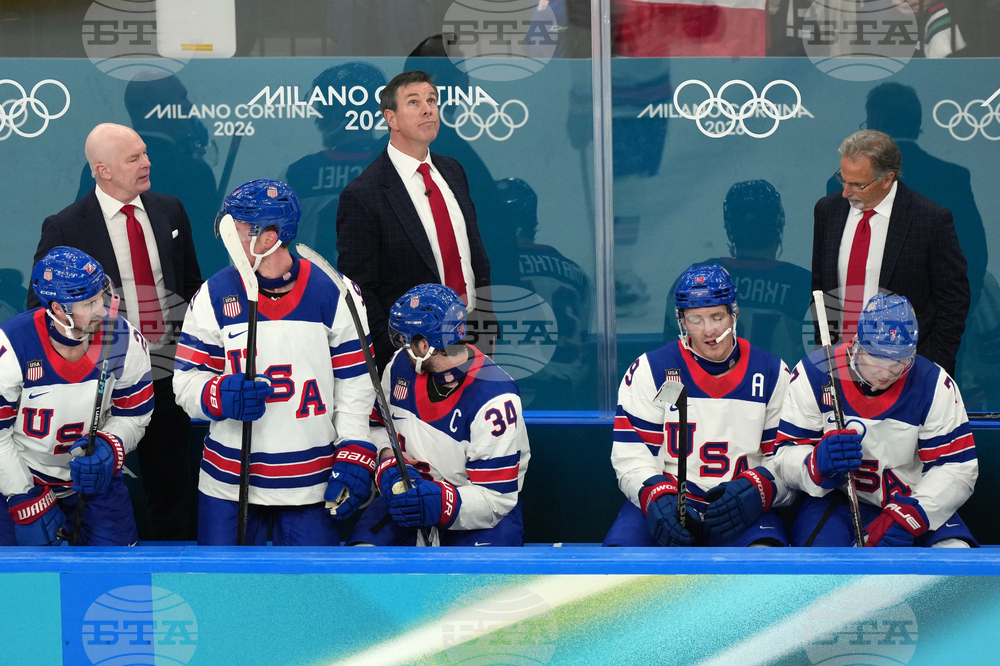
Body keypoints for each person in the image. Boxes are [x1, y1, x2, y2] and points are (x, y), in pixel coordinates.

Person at [173, 179, 376, 546]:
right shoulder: (212, 295)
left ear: (268, 238)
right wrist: (219, 395)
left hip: (312, 484)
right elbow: (185, 381)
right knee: (224, 599)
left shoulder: (336, 291)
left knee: (307, 600)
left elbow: (355, 382)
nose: (227, 238)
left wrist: (355, 445)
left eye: (237, 229)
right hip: (228, 485)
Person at [30, 122, 203, 541]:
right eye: (134, 158)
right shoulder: (66, 226)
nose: (147, 163)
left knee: (174, 487)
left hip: (167, 370)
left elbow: (191, 286)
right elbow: (41, 309)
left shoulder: (170, 210)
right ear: (103, 170)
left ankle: (173, 573)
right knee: (107, 489)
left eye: (144, 153)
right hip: (102, 382)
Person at [604, 264, 793, 547]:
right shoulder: (649, 369)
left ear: (734, 313)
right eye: (696, 319)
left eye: (717, 317)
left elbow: (786, 459)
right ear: (681, 320)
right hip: (670, 504)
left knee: (764, 561)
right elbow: (631, 457)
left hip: (742, 509)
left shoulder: (772, 372)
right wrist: (656, 495)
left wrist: (757, 489)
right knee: (618, 563)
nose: (709, 330)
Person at [772, 294, 978, 547]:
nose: (884, 374)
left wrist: (913, 514)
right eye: (876, 358)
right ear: (857, 344)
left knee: (955, 555)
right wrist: (816, 462)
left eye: (897, 362)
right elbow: (783, 457)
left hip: (914, 497)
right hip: (838, 499)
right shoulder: (814, 373)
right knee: (821, 564)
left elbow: (957, 467)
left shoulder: (935, 384)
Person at [347, 284, 529, 546]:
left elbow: (496, 498)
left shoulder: (496, 399)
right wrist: (387, 458)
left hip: (479, 515)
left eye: (404, 338)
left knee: (479, 581)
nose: (399, 344)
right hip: (406, 498)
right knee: (361, 560)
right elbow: (375, 426)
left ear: (424, 345)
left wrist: (440, 501)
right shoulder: (399, 365)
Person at [336, 70, 491, 373]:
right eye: (414, 102)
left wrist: (486, 321)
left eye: (432, 100)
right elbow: (360, 290)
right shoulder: (363, 194)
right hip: (415, 352)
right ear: (390, 119)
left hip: (472, 336)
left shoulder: (453, 171)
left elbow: (473, 254)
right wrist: (399, 354)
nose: (427, 108)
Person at [0, 247, 153, 546]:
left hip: (96, 479)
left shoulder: (125, 340)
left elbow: (134, 414)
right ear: (57, 308)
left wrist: (109, 449)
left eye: (101, 297)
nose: (101, 310)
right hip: (22, 478)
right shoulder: (12, 346)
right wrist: (22, 492)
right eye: (89, 302)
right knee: (23, 586)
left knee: (118, 579)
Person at [812, 129, 969, 377]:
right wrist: (826, 355)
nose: (845, 192)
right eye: (843, 179)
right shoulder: (828, 211)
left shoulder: (929, 220)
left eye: (856, 184)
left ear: (887, 179)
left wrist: (932, 366)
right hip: (841, 368)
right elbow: (820, 291)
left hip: (906, 370)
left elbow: (953, 302)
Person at [663, 180, 812, 368]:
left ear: (730, 227)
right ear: (778, 223)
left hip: (710, 396)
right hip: (777, 395)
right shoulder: (804, 286)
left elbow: (671, 359)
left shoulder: (692, 281)